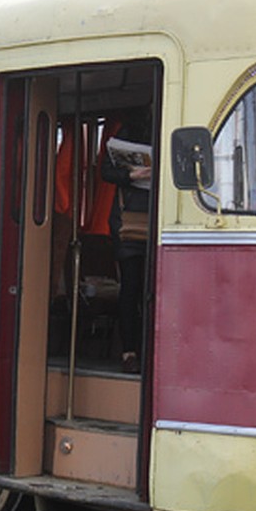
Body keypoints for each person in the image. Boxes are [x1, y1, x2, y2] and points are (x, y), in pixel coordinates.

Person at [100, 110, 153, 375]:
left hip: (157, 220)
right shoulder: (128, 131)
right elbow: (106, 172)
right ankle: (129, 351)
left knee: (152, 292)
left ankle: (150, 351)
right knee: (131, 289)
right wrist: (132, 176)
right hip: (129, 221)